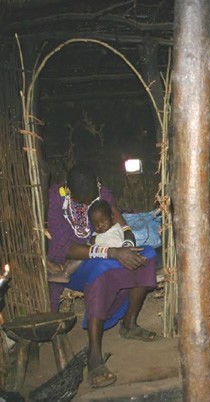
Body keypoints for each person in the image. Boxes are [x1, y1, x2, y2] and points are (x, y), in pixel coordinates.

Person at [47, 163, 160, 389]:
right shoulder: (58, 202)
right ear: (70, 191)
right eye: (84, 199)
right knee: (101, 270)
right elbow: (62, 249)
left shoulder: (103, 194)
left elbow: (121, 223)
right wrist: (110, 252)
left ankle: (129, 323)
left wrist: (126, 245)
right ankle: (95, 356)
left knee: (146, 256)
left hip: (112, 252)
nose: (90, 202)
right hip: (78, 264)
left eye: (93, 196)